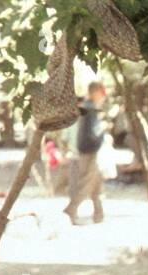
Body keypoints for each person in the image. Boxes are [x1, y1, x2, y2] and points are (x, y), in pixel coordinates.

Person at [63, 81, 108, 226]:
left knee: (96, 184)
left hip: (85, 150)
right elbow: (93, 133)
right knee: (87, 184)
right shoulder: (90, 109)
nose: (103, 97)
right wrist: (104, 130)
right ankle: (70, 209)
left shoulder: (87, 108)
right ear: (95, 92)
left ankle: (99, 215)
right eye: (101, 93)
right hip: (90, 152)